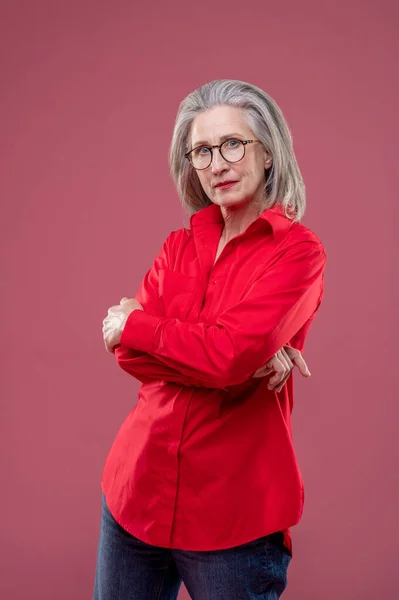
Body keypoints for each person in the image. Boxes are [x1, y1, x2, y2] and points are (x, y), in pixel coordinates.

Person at [96, 79, 326, 600]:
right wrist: (234, 354)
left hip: (232, 518)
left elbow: (225, 356)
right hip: (135, 491)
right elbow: (132, 355)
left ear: (268, 154)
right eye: (202, 151)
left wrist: (140, 324)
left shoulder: (299, 254)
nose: (217, 163)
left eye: (232, 144)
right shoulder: (178, 246)